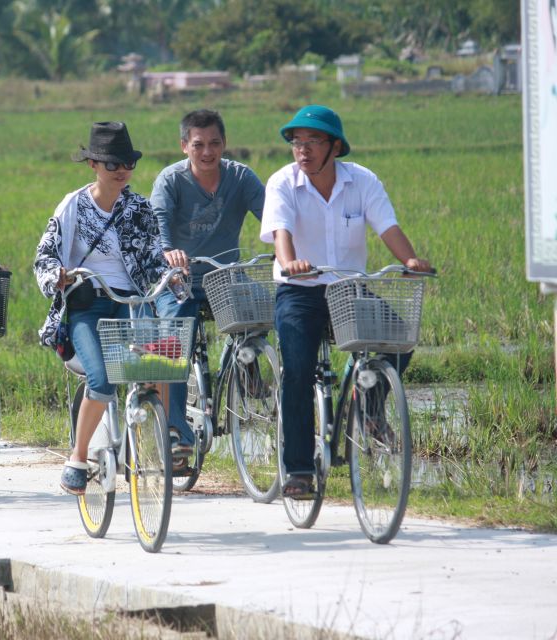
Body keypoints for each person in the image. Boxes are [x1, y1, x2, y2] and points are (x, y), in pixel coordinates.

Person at [260, 104, 431, 499]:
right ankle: (299, 470)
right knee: (298, 370)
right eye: (296, 143)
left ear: (335, 147)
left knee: (399, 340)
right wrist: (290, 264)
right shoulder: (282, 183)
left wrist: (409, 260)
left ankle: (370, 409)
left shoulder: (362, 181)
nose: (302, 150)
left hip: (348, 289)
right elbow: (281, 231)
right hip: (299, 292)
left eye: (313, 142)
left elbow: (387, 226)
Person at [34, 121, 172, 495]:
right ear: (93, 164)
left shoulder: (139, 207)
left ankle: (153, 446)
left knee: (157, 369)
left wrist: (171, 273)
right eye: (112, 164)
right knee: (101, 379)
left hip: (130, 306)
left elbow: (153, 256)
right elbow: (44, 255)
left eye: (127, 162)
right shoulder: (74, 206)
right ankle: (77, 459)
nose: (121, 170)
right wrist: (57, 276)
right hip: (88, 306)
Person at [150, 109, 265, 466]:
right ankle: (175, 431)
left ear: (224, 144)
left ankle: (249, 367)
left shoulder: (241, 177)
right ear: (184, 146)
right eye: (198, 144)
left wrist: (288, 248)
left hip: (225, 277)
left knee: (273, 307)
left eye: (214, 143)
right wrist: (170, 255)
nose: (207, 152)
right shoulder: (170, 181)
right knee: (174, 338)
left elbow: (274, 220)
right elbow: (159, 228)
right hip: (180, 281)